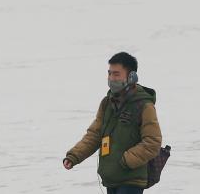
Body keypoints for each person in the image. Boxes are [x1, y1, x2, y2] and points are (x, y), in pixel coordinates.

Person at [63, 52, 162, 194]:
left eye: (116, 74)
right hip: (112, 179)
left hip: (131, 180)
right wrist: (74, 156)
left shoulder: (144, 105)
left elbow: (153, 142)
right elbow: (94, 135)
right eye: (109, 74)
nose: (111, 78)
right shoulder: (107, 103)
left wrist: (126, 161)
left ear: (131, 76)